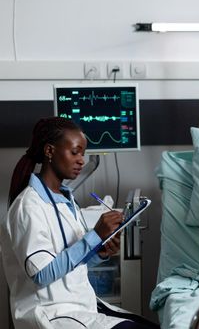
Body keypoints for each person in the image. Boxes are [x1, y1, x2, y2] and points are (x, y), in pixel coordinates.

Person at [0, 117, 158, 328]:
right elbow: (42, 274)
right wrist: (94, 236)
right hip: (49, 313)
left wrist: (99, 252)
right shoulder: (28, 207)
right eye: (75, 152)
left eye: (83, 153)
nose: (81, 160)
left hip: (78, 305)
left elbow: (71, 266)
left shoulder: (67, 201)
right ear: (49, 151)